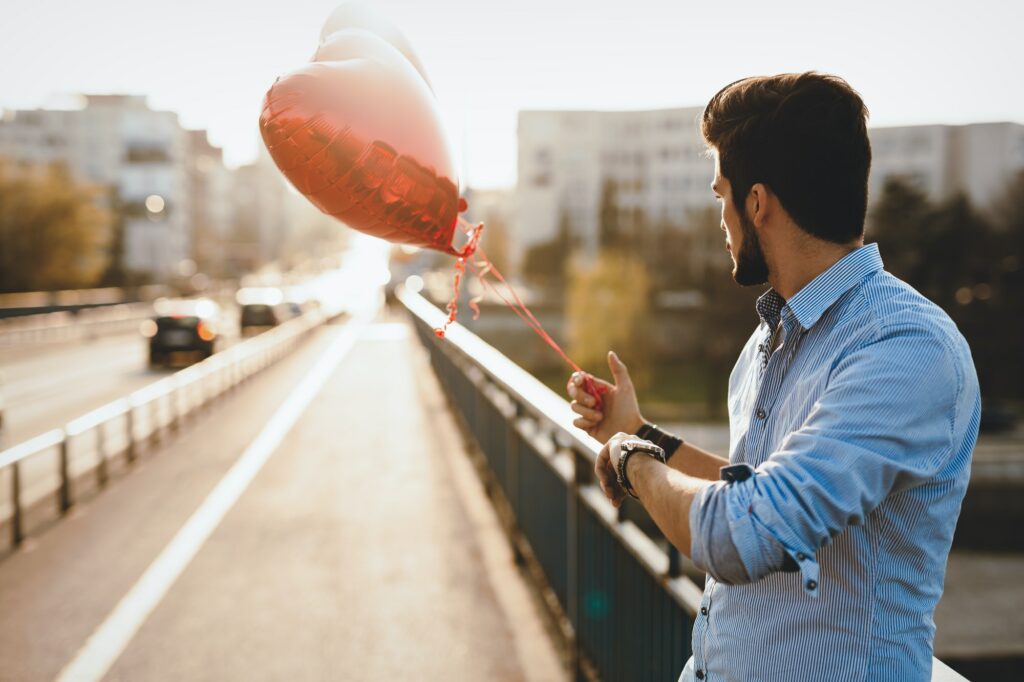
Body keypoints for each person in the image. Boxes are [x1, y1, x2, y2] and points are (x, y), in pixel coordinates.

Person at [566, 72, 980, 682]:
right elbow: (758, 489)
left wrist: (632, 460)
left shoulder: (906, 347)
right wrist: (640, 432)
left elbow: (745, 534)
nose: (721, 219)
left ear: (756, 203)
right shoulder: (770, 339)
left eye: (719, 197)